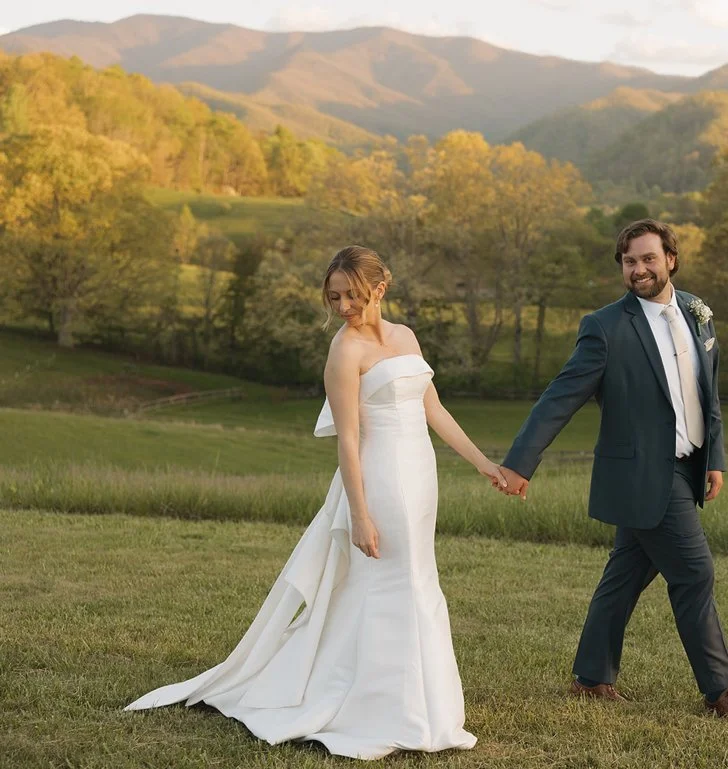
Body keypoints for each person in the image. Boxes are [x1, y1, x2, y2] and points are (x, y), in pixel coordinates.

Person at [125, 245, 506, 759]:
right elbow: (348, 440)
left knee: (420, 578)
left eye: (352, 294)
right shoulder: (344, 351)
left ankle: (428, 705)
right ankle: (385, 708)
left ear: (380, 287)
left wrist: (484, 463)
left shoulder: (407, 337)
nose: (344, 305)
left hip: (421, 475)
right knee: (391, 583)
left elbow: (433, 409)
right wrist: (361, 514)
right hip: (380, 478)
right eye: (334, 297)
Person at [498, 219, 728, 724]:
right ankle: (721, 694)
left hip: (688, 464)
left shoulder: (697, 313)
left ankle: (590, 677)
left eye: (648, 259)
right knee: (694, 572)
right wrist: (520, 464)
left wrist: (714, 457)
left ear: (671, 259)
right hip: (646, 473)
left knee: (626, 573)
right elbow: (560, 397)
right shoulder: (605, 327)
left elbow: (707, 393)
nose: (639, 269)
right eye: (629, 261)